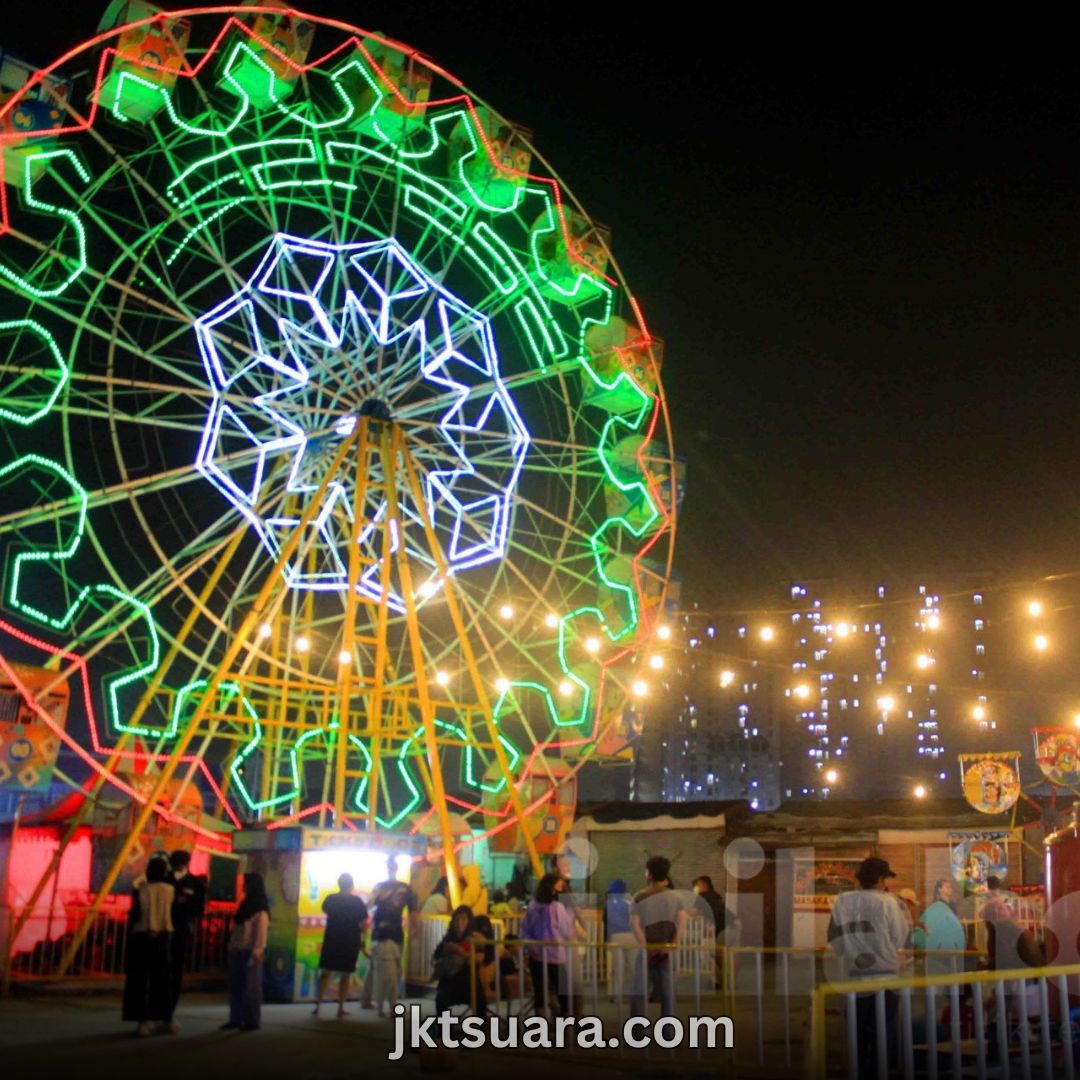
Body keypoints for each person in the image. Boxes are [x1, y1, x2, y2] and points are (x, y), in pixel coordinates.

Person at [827, 856, 910, 1076]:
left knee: (857, 1031)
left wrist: (848, 953)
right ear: (881, 879)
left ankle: (858, 1071)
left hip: (854, 976)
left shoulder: (842, 901)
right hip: (886, 977)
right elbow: (899, 937)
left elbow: (833, 937)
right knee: (883, 1031)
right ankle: (880, 1071)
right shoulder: (888, 902)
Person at [123, 855, 175, 1036]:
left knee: (140, 980)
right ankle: (165, 1018)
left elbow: (135, 915)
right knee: (162, 979)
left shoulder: (141, 890)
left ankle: (142, 1021)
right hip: (164, 937)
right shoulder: (170, 890)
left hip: (142, 937)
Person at [630, 855, 688, 1019]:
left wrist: (645, 947)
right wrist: (672, 946)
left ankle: (637, 1033)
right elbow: (682, 922)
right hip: (667, 950)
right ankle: (668, 1033)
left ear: (649, 874)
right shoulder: (676, 897)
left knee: (639, 992)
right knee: (668, 995)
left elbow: (634, 924)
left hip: (646, 949)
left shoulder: (640, 896)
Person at [362, 857, 418, 1009]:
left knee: (375, 965)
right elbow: (413, 912)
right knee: (393, 966)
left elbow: (367, 906)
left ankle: (368, 999)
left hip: (380, 932)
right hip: (392, 931)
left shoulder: (380, 887)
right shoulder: (405, 888)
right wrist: (414, 931)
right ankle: (390, 1001)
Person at [520, 873, 577, 1017]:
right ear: (553, 888)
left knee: (540, 994)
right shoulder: (557, 907)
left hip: (537, 955)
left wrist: (533, 948)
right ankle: (565, 1030)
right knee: (563, 994)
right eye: (559, 887)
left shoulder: (533, 906)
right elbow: (566, 930)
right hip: (556, 956)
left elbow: (525, 930)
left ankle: (540, 1030)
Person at [313, 873, 369, 1018]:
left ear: (339, 884)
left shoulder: (330, 899)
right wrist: (364, 942)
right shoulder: (357, 902)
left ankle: (318, 1005)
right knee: (346, 974)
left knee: (326, 972)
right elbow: (364, 923)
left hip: (332, 938)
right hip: (350, 940)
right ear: (351, 885)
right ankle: (340, 1007)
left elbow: (325, 911)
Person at [223, 872, 269, 1032]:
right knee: (237, 985)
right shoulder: (247, 904)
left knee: (251, 987)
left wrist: (257, 951)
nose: (243, 886)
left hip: (250, 951)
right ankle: (236, 1018)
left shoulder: (259, 909)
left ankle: (251, 1020)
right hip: (238, 949)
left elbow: (261, 933)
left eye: (246, 883)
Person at [167, 849, 206, 1017]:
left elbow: (198, 908)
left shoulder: (195, 883)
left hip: (180, 929)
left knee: (175, 969)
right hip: (164, 929)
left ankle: (169, 1009)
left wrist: (184, 904)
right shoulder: (164, 880)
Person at [433, 905, 487, 1016]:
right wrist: (445, 952)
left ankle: (480, 1031)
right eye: (456, 919)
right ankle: (445, 1031)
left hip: (470, 982)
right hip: (449, 982)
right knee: (441, 999)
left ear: (469, 921)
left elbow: (480, 958)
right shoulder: (449, 938)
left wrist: (460, 951)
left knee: (480, 1002)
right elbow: (435, 957)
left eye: (463, 919)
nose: (459, 923)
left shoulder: (475, 938)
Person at [913, 879, 967, 975]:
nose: (950, 888)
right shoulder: (936, 907)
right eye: (947, 886)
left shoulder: (951, 906)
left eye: (950, 887)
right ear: (939, 889)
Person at [604, 879, 637, 995]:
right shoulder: (630, 903)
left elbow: (607, 923)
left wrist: (606, 941)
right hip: (632, 936)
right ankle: (636, 992)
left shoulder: (608, 905)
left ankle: (618, 994)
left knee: (618, 968)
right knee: (633, 966)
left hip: (616, 937)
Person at [370, 925, 402, 1019]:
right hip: (391, 966)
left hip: (379, 967)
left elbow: (372, 958)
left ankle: (380, 1010)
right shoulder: (393, 944)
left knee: (379, 989)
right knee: (392, 990)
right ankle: (393, 1011)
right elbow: (397, 958)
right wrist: (399, 969)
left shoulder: (375, 945)